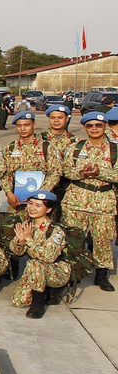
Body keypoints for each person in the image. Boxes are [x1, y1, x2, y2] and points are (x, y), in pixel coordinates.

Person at [61, 111, 117, 291]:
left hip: (103, 200)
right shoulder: (75, 147)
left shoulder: (115, 150)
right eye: (90, 126)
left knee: (102, 239)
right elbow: (65, 171)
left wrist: (99, 172)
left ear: (105, 126)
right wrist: (81, 173)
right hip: (77, 199)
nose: (94, 129)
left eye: (98, 125)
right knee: (74, 238)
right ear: (85, 127)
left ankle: (102, 274)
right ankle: (71, 272)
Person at [9, 191, 71, 318]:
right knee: (19, 301)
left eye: (38, 205)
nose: (32, 208)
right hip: (36, 271)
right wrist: (20, 241)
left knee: (34, 263)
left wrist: (30, 240)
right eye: (30, 204)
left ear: (48, 209)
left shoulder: (55, 230)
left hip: (56, 270)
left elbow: (49, 257)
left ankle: (38, 304)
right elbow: (16, 252)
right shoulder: (27, 225)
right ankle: (46, 291)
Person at [1, 111, 61, 221]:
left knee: (42, 234)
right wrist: (9, 193)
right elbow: (5, 174)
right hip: (18, 202)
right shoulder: (10, 148)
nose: (23, 129)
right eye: (19, 126)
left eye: (26, 125)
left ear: (34, 125)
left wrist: (40, 194)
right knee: (17, 233)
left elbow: (55, 172)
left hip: (41, 203)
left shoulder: (47, 147)